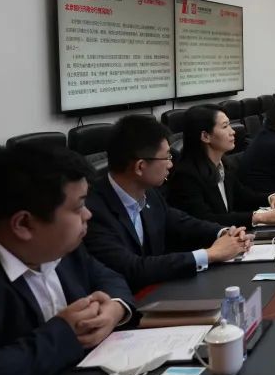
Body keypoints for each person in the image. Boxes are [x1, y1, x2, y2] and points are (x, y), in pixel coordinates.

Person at [0, 145, 138, 375]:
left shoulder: (55, 243)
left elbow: (107, 276)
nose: (88, 214)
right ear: (23, 224)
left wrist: (115, 309)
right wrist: (66, 332)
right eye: (77, 208)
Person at [84, 115, 251, 291]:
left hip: (160, 292)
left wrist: (224, 233)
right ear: (140, 166)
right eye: (167, 157)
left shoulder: (148, 192)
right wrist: (210, 254)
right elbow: (133, 268)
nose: (171, 165)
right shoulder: (92, 210)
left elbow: (180, 222)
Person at [165, 105, 275, 228]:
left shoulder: (223, 164)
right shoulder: (186, 175)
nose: (232, 131)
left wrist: (271, 197)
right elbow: (205, 219)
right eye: (225, 126)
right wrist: (258, 217)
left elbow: (243, 196)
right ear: (205, 136)